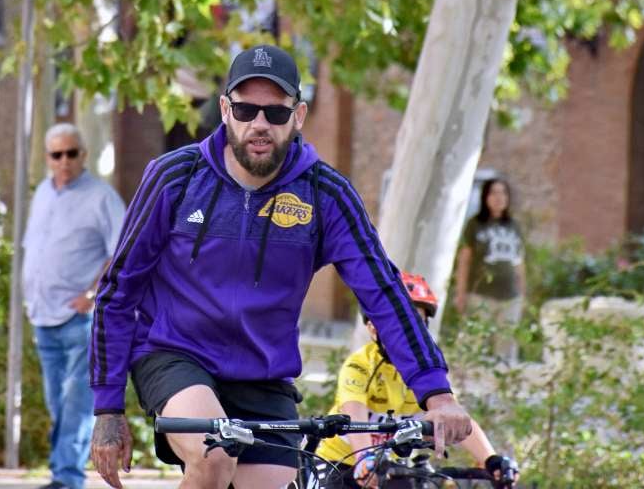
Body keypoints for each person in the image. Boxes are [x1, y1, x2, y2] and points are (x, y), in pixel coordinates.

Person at [90, 44, 472, 489]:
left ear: (299, 115)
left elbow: (383, 291)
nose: (259, 124)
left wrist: (438, 394)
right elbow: (117, 291)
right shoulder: (175, 176)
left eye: (274, 113)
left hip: (263, 372)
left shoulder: (325, 194)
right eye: (246, 109)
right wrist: (108, 408)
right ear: (224, 110)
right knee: (214, 455)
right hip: (176, 353)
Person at [317, 272, 518, 488]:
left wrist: (491, 459)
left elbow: (453, 419)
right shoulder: (361, 364)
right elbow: (353, 411)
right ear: (372, 327)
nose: (407, 333)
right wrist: (365, 459)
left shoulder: (427, 373)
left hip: (389, 465)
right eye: (398, 324)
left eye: (416, 325)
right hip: (338, 461)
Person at [23, 123, 126, 489]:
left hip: (80, 319)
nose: (64, 161)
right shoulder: (42, 194)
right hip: (43, 315)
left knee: (77, 402)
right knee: (57, 402)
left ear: (83, 155)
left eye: (71, 153)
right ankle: (62, 472)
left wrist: (93, 295)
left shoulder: (102, 197)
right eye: (56, 154)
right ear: (48, 158)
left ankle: (67, 478)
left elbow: (122, 251)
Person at [454, 178, 524, 363]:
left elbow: (519, 262)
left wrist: (523, 293)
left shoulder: (514, 226)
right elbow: (465, 259)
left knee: (506, 347)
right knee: (474, 344)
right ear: (485, 196)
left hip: (510, 297)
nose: (498, 197)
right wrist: (460, 293)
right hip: (480, 295)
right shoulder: (475, 224)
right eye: (494, 192)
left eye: (503, 193)